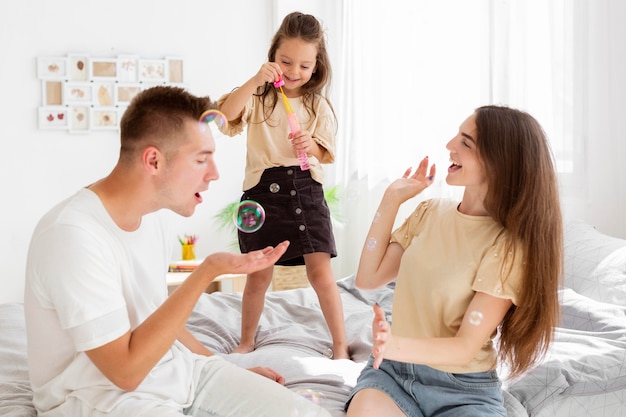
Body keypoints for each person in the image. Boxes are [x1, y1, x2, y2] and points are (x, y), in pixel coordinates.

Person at [24, 85, 332, 417]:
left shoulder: (154, 219)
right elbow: (125, 374)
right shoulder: (72, 235)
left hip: (179, 371)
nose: (214, 174)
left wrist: (225, 367)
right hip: (100, 397)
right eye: (202, 159)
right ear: (154, 160)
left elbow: (157, 318)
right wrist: (206, 272)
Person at [345, 105, 563, 417]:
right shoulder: (430, 212)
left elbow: (464, 348)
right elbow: (368, 278)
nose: (450, 145)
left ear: (498, 163)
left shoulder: (508, 247)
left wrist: (391, 344)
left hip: (462, 391)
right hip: (392, 374)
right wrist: (391, 198)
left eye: (466, 142)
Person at [218, 12, 348, 359]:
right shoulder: (258, 97)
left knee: (321, 274)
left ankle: (339, 346)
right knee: (258, 277)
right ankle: (247, 341)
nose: (294, 71)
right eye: (285, 61)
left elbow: (326, 151)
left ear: (317, 65)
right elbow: (227, 115)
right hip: (264, 193)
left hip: (306, 190)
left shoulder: (317, 103)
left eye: (305, 65)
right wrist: (254, 80)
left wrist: (312, 146)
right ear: (272, 56)